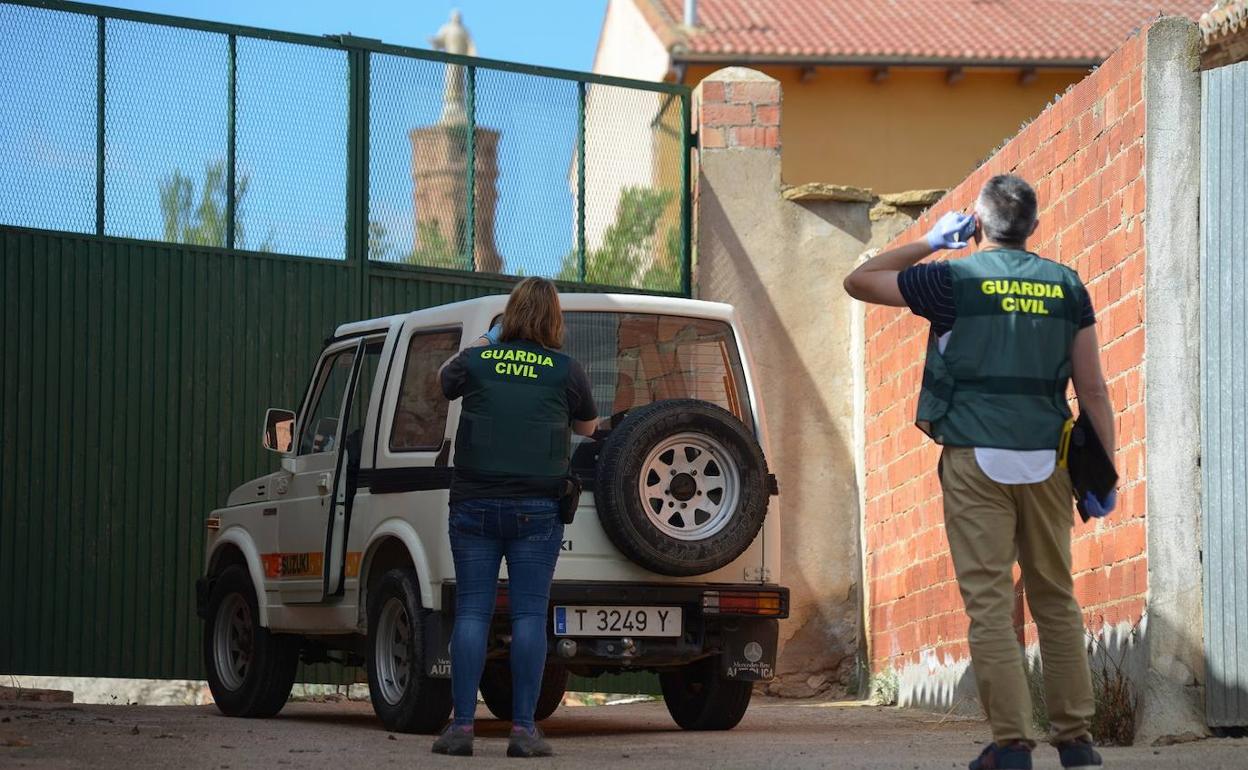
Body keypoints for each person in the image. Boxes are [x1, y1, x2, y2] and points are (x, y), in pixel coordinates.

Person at [843, 175, 1116, 770]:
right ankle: (1076, 741)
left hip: (974, 457)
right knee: (1056, 596)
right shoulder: (1068, 285)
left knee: (990, 603)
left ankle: (1013, 745)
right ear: (1034, 227)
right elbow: (1092, 386)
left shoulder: (949, 280)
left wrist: (931, 241)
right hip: (1049, 458)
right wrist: (1107, 472)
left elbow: (859, 280)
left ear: (979, 224)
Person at [431, 277, 598, 758]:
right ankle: (523, 732)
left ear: (510, 317)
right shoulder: (565, 369)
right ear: (554, 320)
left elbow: (443, 380)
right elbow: (586, 427)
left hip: (473, 507)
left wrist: (490, 337)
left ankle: (462, 728)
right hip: (537, 510)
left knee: (472, 613)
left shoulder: (479, 360)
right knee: (528, 615)